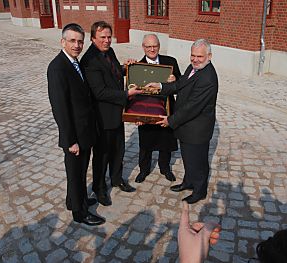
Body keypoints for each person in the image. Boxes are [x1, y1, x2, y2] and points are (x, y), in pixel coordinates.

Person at [146, 39, 218, 204]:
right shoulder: (193, 68)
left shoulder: (208, 78)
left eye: (199, 56)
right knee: (188, 158)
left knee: (198, 161)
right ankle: (188, 182)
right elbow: (180, 84)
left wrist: (170, 120)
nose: (195, 59)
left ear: (209, 56)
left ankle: (199, 191)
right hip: (187, 127)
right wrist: (161, 86)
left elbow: (192, 107)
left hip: (197, 129)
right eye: (193, 55)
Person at [47, 23, 105, 226]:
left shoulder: (75, 62)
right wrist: (70, 140)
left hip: (85, 131)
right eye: (72, 41)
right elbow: (60, 109)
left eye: (80, 41)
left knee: (78, 173)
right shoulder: (57, 67)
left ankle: (74, 199)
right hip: (74, 137)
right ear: (63, 41)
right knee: (76, 174)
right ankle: (80, 213)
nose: (77, 45)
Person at [80, 21, 141, 207]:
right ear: (92, 38)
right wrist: (126, 95)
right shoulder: (89, 60)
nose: (107, 41)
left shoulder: (109, 52)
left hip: (116, 113)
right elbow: (100, 92)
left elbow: (114, 73)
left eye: (109, 37)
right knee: (102, 155)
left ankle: (116, 179)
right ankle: (99, 188)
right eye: (102, 38)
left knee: (118, 150)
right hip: (102, 117)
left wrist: (127, 68)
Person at [134, 34, 181, 184]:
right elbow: (133, 92)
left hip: (166, 109)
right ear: (143, 47)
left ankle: (165, 168)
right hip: (145, 109)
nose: (152, 49)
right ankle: (144, 169)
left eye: (155, 46)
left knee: (166, 139)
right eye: (148, 46)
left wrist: (175, 81)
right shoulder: (137, 66)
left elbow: (180, 85)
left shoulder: (170, 62)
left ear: (159, 46)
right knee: (146, 142)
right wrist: (135, 115)